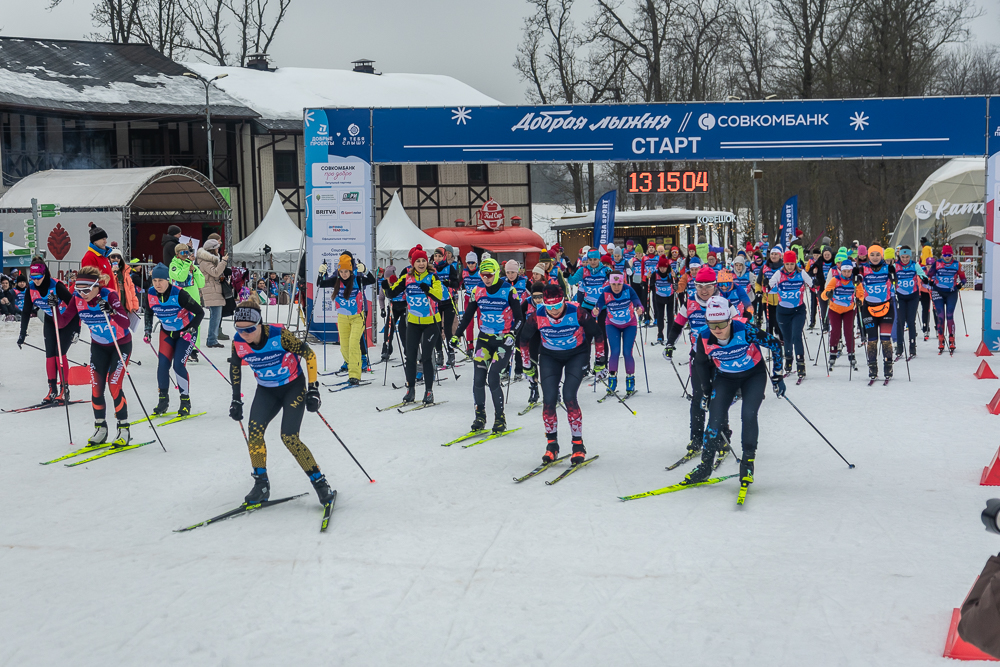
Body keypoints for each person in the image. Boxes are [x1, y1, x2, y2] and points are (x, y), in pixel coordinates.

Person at [228, 298, 334, 507]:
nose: (244, 334)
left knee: (289, 437)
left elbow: (309, 355)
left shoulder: (279, 335)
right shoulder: (238, 342)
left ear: (260, 324)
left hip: (292, 387)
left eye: (249, 329)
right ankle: (261, 485)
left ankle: (320, 483)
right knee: (255, 432)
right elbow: (235, 367)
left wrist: (313, 390)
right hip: (266, 390)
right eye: (239, 330)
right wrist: (235, 399)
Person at [685, 296, 784, 487]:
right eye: (712, 325)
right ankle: (705, 466)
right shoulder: (704, 336)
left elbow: (775, 344)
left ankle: (747, 464)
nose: (717, 330)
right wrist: (706, 391)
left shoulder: (745, 330)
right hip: (725, 378)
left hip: (753, 376)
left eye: (721, 324)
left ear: (730, 320)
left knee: (748, 415)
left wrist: (777, 376)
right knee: (714, 418)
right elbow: (700, 363)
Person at [519, 283, 604, 465]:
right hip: (550, 356)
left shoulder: (577, 311)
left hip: (576, 354)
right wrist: (527, 365)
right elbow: (524, 338)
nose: (555, 311)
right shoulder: (538, 315)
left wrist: (600, 361)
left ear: (564, 301)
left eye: (558, 306)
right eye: (550, 307)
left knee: (569, 396)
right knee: (549, 399)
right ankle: (552, 445)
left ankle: (578, 445)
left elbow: (597, 334)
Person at [665, 267, 738, 456]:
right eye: (699, 286)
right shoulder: (689, 303)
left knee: (719, 398)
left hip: (721, 359)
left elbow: (738, 325)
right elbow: (678, 324)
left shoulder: (725, 303)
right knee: (698, 398)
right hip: (698, 359)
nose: (704, 291)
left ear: (715, 286)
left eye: (708, 286)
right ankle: (696, 439)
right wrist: (669, 343)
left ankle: (723, 437)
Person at [61, 266, 133, 446]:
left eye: (86, 290)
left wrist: (111, 311)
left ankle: (124, 429)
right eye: (79, 290)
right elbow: (62, 321)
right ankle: (101, 428)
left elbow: (125, 323)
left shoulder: (109, 295)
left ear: (96, 286)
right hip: (99, 347)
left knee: (114, 385)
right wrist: (52, 306)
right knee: (96, 388)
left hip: (120, 345)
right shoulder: (77, 299)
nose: (82, 294)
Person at [452, 258, 523, 434]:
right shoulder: (478, 290)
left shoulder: (509, 290)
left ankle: (500, 418)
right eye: (483, 275)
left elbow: (520, 318)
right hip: (484, 340)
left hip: (502, 341)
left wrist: (512, 334)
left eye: (489, 275)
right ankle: (480, 416)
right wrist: (457, 335)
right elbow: (468, 315)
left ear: (496, 273)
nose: (486, 278)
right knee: (477, 379)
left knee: (493, 378)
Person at [384, 245, 446, 405]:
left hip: (431, 322)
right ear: (412, 263)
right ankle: (410, 389)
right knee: (410, 357)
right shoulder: (406, 278)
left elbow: (439, 296)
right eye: (417, 261)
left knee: (426, 357)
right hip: (413, 322)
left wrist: (429, 290)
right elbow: (393, 293)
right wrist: (386, 288)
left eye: (423, 260)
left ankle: (429, 391)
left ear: (427, 262)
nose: (421, 263)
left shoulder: (433, 277)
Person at [144, 262, 205, 416]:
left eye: (161, 281)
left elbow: (200, 312)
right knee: (163, 365)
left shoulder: (180, 294)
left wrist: (191, 329)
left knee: (178, 365)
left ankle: (185, 401)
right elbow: (149, 312)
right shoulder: (150, 293)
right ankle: (163, 401)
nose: (157, 284)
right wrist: (147, 330)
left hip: (185, 332)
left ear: (168, 280)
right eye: (155, 281)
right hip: (167, 333)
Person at [16, 258, 81, 403]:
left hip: (66, 320)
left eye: (39, 277)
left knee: (59, 353)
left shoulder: (56, 286)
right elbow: (26, 312)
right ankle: (52, 389)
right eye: (34, 277)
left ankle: (65, 389)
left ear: (44, 274)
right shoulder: (31, 288)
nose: (36, 280)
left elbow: (74, 306)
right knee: (50, 354)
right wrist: (22, 333)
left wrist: (77, 329)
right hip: (51, 320)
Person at [318, 252, 376, 385]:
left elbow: (372, 280)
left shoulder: (358, 279)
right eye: (342, 271)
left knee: (354, 344)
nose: (344, 274)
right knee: (344, 347)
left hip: (357, 317)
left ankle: (354, 374)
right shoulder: (336, 280)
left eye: (347, 271)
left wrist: (366, 270)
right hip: (343, 317)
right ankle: (352, 365)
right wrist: (320, 273)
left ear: (351, 270)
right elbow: (320, 284)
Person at [593, 270, 643, 397]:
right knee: (614, 352)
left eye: (619, 284)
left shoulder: (628, 289)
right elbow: (598, 305)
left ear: (623, 283)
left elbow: (637, 301)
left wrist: (639, 308)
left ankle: (630, 380)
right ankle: (612, 381)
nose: (616, 287)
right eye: (613, 284)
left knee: (627, 352)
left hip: (629, 325)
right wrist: (596, 310)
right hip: (612, 325)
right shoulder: (605, 291)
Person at [854, 244, 898, 379]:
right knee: (872, 340)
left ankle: (888, 366)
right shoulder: (863, 268)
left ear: (882, 256)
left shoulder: (888, 268)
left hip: (886, 308)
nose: (875, 257)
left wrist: (893, 276)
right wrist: (856, 277)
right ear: (868, 255)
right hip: (869, 309)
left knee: (885, 339)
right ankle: (872, 367)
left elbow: (896, 282)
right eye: (872, 254)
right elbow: (855, 280)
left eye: (878, 254)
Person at [769, 250, 812, 380]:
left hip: (798, 311)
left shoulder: (801, 273)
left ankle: (800, 363)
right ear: (784, 263)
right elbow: (770, 285)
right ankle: (788, 361)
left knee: (796, 335)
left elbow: (811, 283)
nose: (789, 267)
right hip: (782, 312)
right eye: (787, 264)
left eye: (792, 264)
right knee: (786, 338)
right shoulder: (779, 274)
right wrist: (767, 286)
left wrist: (815, 286)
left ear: (795, 263)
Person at [925, 243, 966, 354]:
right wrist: (931, 281)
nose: (947, 257)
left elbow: (963, 279)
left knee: (949, 315)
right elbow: (929, 274)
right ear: (942, 255)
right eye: (945, 255)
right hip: (938, 292)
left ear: (952, 255)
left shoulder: (957, 264)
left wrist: (959, 285)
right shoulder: (937, 263)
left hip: (951, 293)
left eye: (949, 255)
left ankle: (952, 339)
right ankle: (941, 339)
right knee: (941, 316)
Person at [170, 243, 206, 360]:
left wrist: (194, 270)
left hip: (194, 298)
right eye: (183, 252)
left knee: (195, 323)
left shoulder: (191, 265)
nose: (186, 255)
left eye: (187, 252)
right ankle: (178, 346)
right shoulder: (173, 265)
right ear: (177, 254)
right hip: (179, 299)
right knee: (180, 322)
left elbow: (201, 283)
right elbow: (180, 277)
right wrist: (187, 265)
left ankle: (193, 348)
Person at [821, 260, 859, 370]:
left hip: (849, 310)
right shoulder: (835, 280)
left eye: (849, 271)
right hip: (834, 310)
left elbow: (861, 293)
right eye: (844, 271)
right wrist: (828, 294)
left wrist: (859, 300)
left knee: (848, 331)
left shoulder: (854, 281)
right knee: (835, 331)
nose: (847, 273)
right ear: (841, 271)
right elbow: (824, 295)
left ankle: (851, 353)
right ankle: (833, 352)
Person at [893, 245, 926, 359]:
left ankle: (912, 346)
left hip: (913, 296)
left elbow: (922, 274)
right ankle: (899, 347)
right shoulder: (895, 266)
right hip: (900, 296)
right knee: (900, 321)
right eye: (903, 257)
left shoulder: (914, 265)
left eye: (907, 257)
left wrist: (924, 278)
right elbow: (889, 277)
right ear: (899, 256)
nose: (905, 259)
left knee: (911, 321)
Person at [196, 238, 229, 348]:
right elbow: (215, 272)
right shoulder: (205, 261)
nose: (218, 250)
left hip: (214, 289)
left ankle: (212, 338)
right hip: (211, 290)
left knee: (216, 316)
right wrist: (223, 262)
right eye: (217, 248)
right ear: (212, 249)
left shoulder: (209, 260)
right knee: (215, 316)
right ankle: (212, 339)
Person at [433, 246, 462, 366]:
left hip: (448, 301)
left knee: (448, 329)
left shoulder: (449, 268)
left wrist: (448, 283)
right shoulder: (432, 268)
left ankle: (451, 353)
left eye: (440, 256)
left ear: (444, 257)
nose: (438, 258)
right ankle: (439, 354)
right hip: (436, 302)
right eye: (436, 256)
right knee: (437, 329)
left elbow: (456, 283)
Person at [379, 265, 408, 361]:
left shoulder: (400, 282)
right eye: (386, 278)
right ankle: (386, 350)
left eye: (389, 277)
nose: (388, 280)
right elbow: (381, 298)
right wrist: (382, 309)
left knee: (403, 329)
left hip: (403, 307)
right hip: (393, 308)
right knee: (388, 328)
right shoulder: (385, 285)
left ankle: (408, 351)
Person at [755, 246, 784, 343]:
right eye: (772, 254)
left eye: (776, 254)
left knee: (780, 322)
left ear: (780, 256)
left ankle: (782, 340)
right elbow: (758, 282)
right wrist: (758, 291)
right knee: (769, 322)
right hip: (767, 299)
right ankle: (770, 342)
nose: (773, 256)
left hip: (781, 299)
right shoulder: (764, 267)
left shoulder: (783, 267)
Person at [81, 223, 119, 294]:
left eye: (105, 239)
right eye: (103, 239)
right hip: (100, 298)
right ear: (95, 241)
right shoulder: (89, 257)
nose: (106, 241)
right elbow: (90, 282)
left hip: (109, 296)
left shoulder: (103, 256)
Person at [648, 255, 675, 343]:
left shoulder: (671, 273)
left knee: (670, 315)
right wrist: (648, 281)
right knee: (660, 315)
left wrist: (675, 279)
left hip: (670, 297)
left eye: (664, 267)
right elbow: (650, 284)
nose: (662, 269)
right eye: (661, 267)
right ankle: (660, 334)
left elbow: (676, 284)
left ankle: (670, 335)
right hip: (659, 297)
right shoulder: (655, 274)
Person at [461, 251, 484, 351]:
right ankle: (470, 347)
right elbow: (457, 282)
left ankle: (483, 343)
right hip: (468, 299)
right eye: (469, 263)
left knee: (481, 322)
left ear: (476, 263)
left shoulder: (481, 272)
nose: (470, 265)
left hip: (480, 300)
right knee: (469, 323)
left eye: (473, 263)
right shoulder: (464, 272)